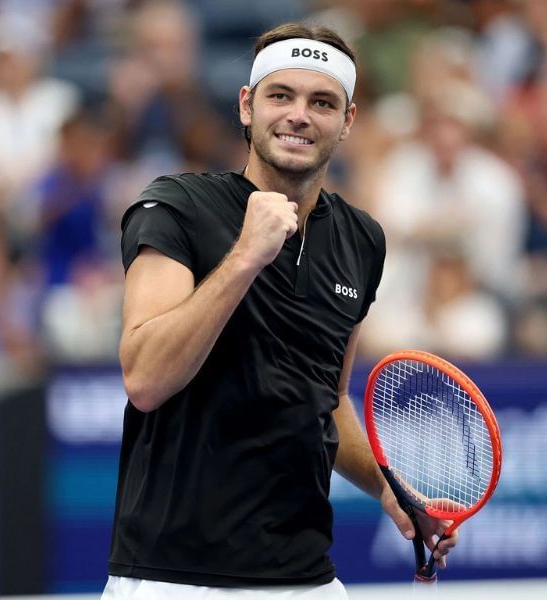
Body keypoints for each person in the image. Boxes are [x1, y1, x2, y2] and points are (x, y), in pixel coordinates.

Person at [108, 23, 459, 598]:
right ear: (247, 107)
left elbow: (329, 396)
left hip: (306, 577)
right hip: (171, 577)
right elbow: (145, 378)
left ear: (346, 122)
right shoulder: (175, 208)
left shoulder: (361, 239)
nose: (299, 115)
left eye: (322, 102)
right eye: (281, 96)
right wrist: (246, 256)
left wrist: (388, 487)